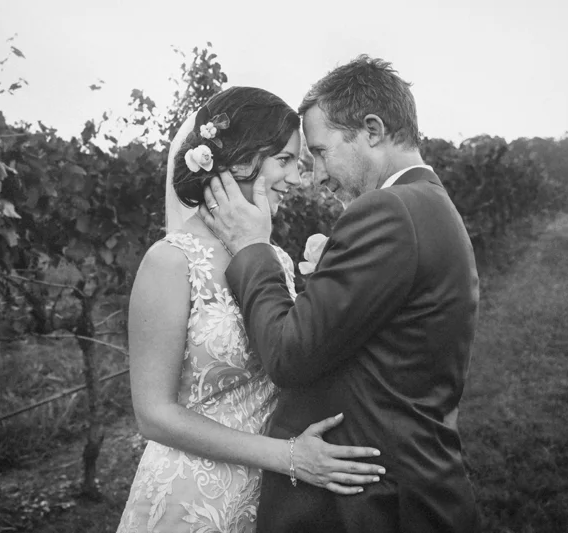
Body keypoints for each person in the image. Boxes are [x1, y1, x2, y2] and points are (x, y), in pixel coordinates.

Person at [200, 57, 480, 532]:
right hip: (407, 486)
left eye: (320, 152)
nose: (317, 177)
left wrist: (250, 247)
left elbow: (288, 354)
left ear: (371, 130)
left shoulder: (390, 211)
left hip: (377, 507)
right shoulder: (428, 203)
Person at [116, 86, 385, 533]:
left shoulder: (272, 258)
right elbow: (153, 415)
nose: (297, 179)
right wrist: (288, 456)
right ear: (238, 159)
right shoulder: (170, 262)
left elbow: (291, 359)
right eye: (284, 160)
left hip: (268, 494)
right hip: (191, 496)